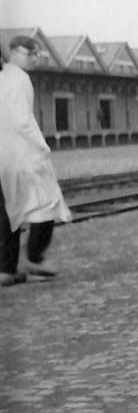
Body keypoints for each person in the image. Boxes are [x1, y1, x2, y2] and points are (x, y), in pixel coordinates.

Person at [0, 35, 71, 286]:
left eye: (35, 54)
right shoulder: (20, 80)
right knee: (48, 201)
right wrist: (42, 147)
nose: (33, 59)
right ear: (13, 52)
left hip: (3, 157)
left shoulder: (3, 77)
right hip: (23, 154)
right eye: (30, 53)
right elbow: (22, 121)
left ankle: (7, 269)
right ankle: (34, 258)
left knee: (8, 212)